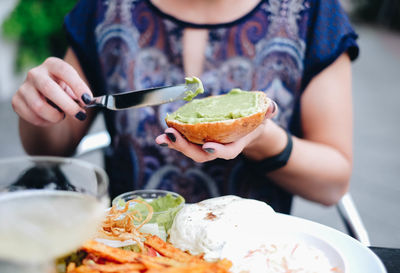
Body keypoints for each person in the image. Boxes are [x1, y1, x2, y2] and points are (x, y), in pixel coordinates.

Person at [11, 0, 359, 214]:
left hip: (253, 254)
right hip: (132, 247)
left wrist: (262, 139)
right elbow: (53, 144)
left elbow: (332, 184)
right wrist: (41, 107)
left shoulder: (312, 13)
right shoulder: (104, 8)